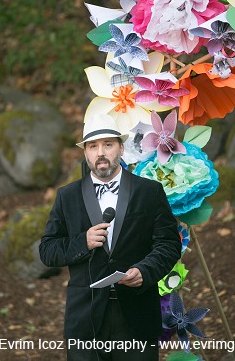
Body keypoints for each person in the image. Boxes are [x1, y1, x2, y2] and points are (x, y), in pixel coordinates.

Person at [39, 116, 180, 360]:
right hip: (85, 319)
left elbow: (168, 244)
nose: (100, 152)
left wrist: (145, 271)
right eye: (93, 146)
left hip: (137, 316)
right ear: (85, 152)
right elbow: (47, 250)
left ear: (121, 148)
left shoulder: (149, 192)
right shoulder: (67, 196)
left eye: (108, 144)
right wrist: (81, 242)